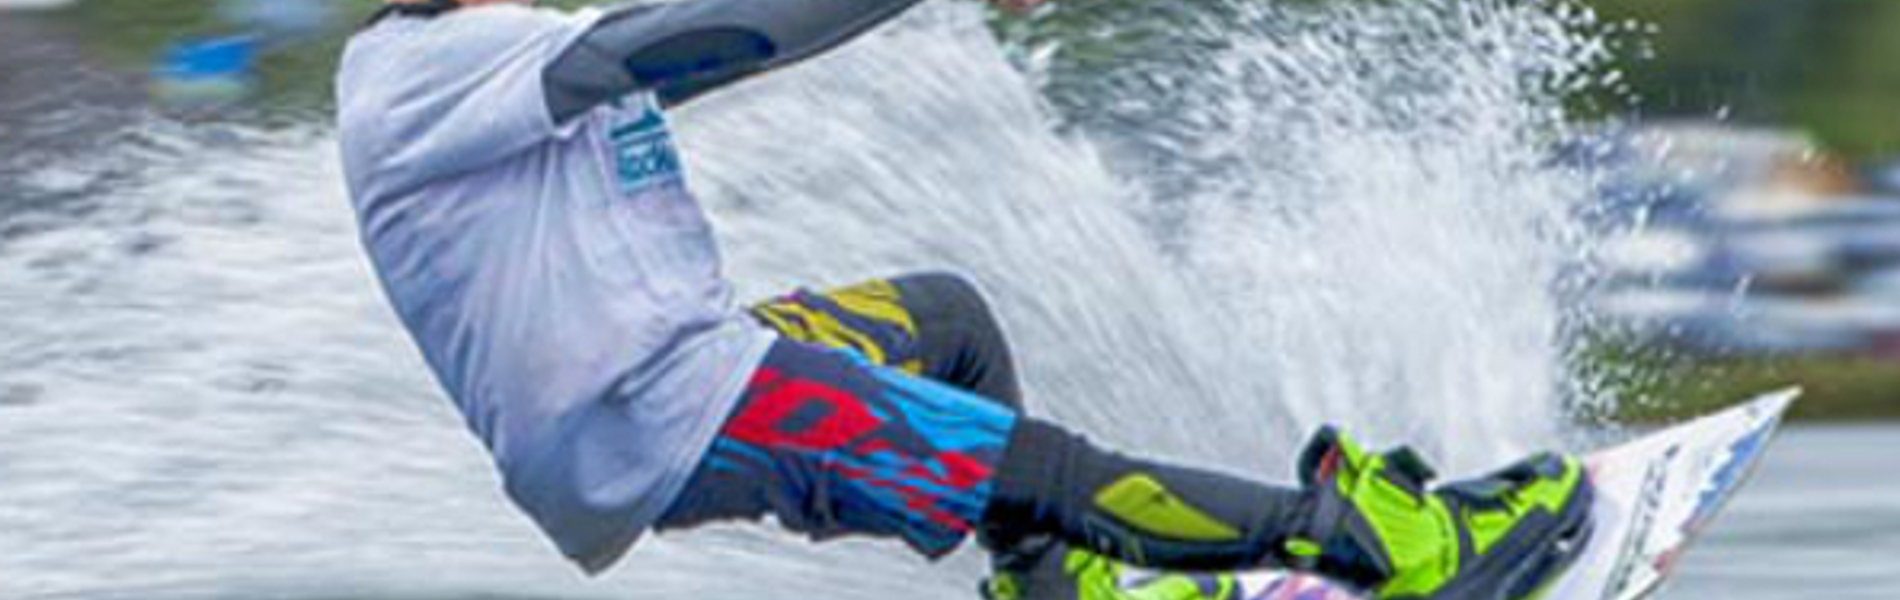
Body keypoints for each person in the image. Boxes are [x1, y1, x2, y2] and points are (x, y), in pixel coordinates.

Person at [332, 1, 1595, 599]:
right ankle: (1387, 550)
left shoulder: (503, 54)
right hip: (673, 413)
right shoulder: (415, 74)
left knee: (947, 322)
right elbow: (662, 45)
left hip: (681, 372)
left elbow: (693, 40)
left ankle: (1056, 593)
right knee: (1052, 468)